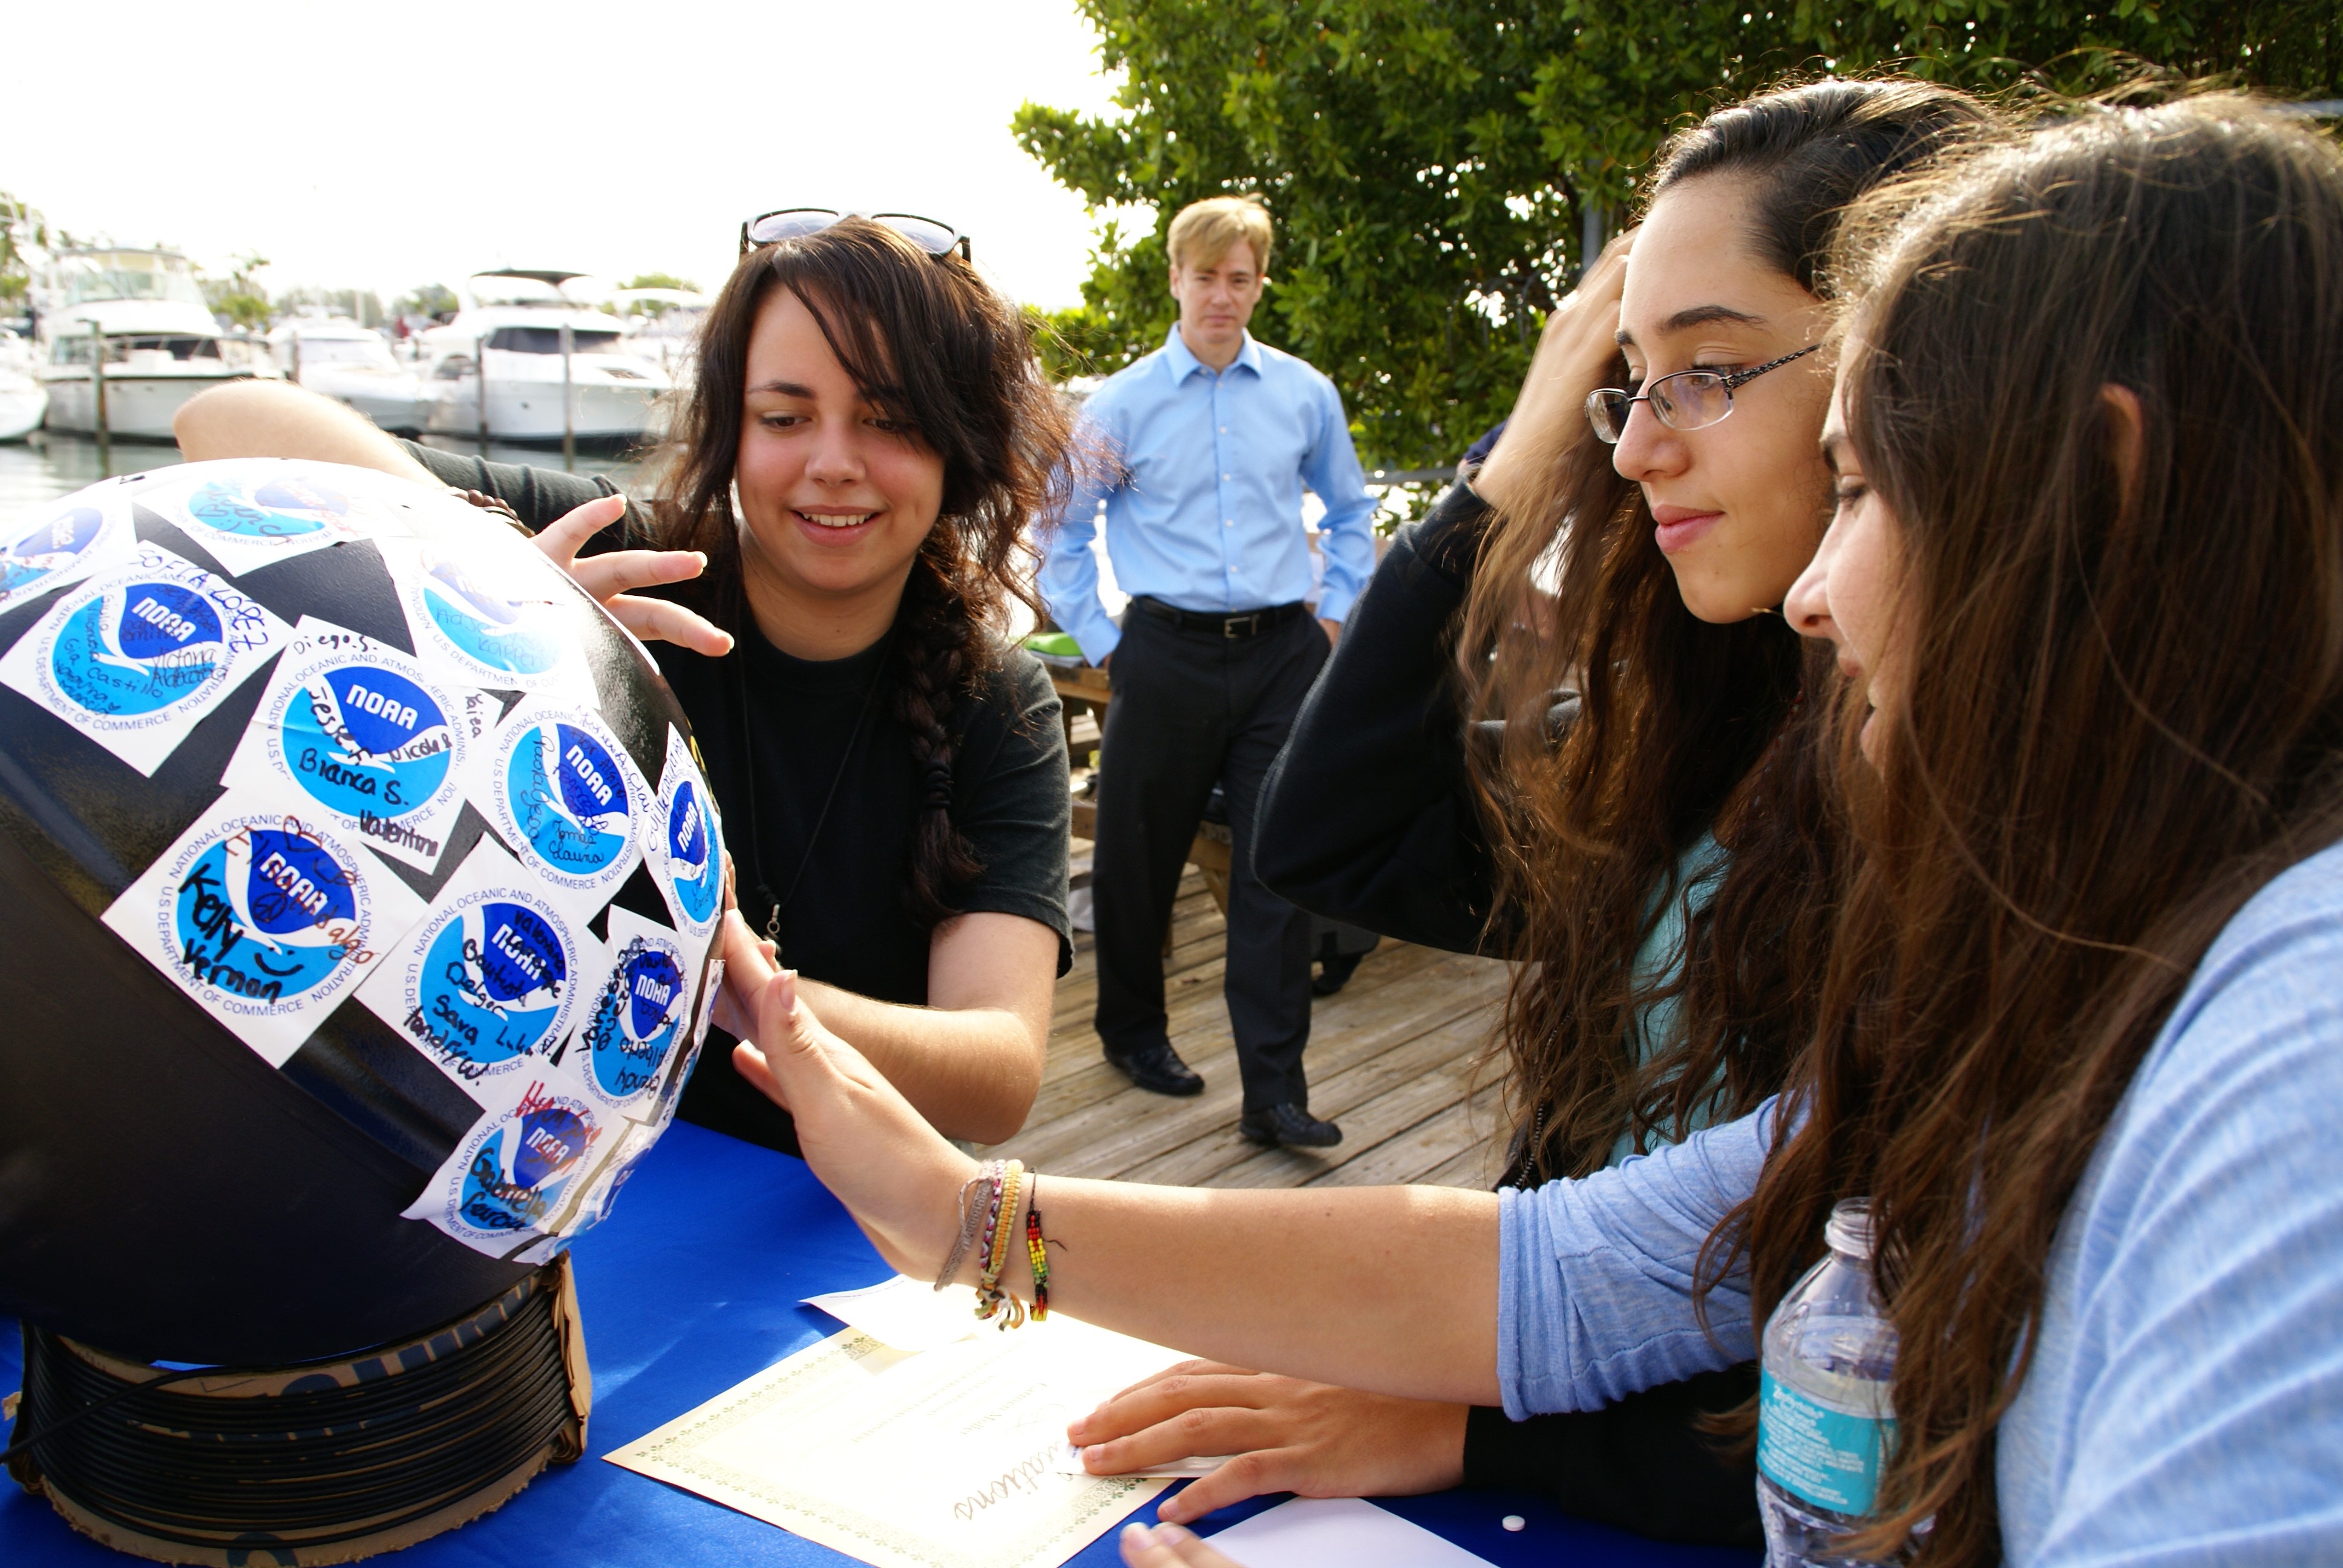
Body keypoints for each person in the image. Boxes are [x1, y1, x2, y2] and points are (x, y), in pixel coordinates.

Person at [720, 94, 2343, 1568]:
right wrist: (966, 1222)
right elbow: (1572, 1275)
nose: (1815, 592)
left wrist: (978, 1227)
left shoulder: (2295, 1049)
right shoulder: (2078, 958)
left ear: (2102, 489)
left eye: (1867, 486)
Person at [1063, 78, 1988, 1548]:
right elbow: (1327, 833)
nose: (1629, 449)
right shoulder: (1708, 721)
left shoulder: (1999, 821)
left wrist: (1483, 1432)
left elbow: (1904, 1390)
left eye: (1710, 369)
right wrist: (1517, 450)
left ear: (1911, 369)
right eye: (1624, 382)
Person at [174, 215, 1075, 1151]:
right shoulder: (618, 556)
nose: (834, 462)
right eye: (785, 417)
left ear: (957, 450)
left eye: (890, 420)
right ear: (729, 431)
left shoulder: (996, 702)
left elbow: (996, 1077)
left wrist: (733, 988)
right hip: (517, 1157)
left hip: (813, 1208)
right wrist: (499, 586)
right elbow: (227, 424)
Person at [1039, 195, 1378, 1146]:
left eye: (1240, 278)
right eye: (1205, 277)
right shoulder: (1123, 403)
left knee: (1274, 862)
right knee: (1139, 858)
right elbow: (1059, 532)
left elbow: (1351, 516)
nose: (1221, 295)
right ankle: (1132, 1033)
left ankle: (1274, 1094)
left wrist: (1335, 615)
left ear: (1259, 284)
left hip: (1281, 656)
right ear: (1176, 281)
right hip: (1163, 652)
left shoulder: (1305, 394)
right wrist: (1107, 645)